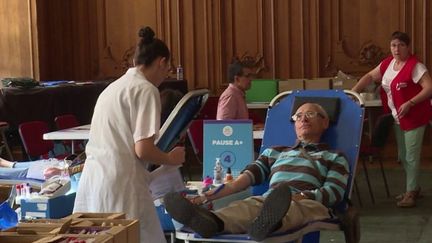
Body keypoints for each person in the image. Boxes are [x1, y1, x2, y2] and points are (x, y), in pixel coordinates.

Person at [164, 103, 350, 241]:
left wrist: (298, 197)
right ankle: (213, 221)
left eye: (310, 114)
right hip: (271, 201)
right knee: (244, 206)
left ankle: (272, 223)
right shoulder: (275, 152)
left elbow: (333, 193)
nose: (303, 119)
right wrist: (204, 198)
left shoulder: (334, 157)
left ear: (325, 122)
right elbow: (240, 182)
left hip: (309, 202)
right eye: (298, 116)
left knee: (294, 209)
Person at [73, 26, 185, 243]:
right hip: (122, 183)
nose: (166, 75)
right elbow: (143, 149)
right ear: (162, 62)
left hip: (95, 179)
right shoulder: (146, 89)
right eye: (167, 69)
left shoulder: (113, 88)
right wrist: (170, 159)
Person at [352, 31, 432, 208]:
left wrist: (411, 102)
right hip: (398, 116)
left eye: (401, 45)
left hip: (415, 117)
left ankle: (410, 193)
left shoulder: (415, 66)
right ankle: (414, 187)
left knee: (411, 156)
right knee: (403, 155)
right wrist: (353, 91)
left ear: (408, 47)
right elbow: (370, 76)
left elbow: (429, 88)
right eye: (393, 45)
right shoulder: (388, 63)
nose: (397, 49)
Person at [0, 153, 85, 180]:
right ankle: (9, 164)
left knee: (33, 171)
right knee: (42, 163)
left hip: (70, 176)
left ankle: (6, 166)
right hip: (70, 167)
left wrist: (63, 172)